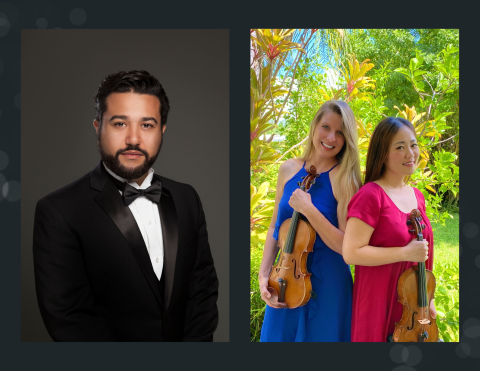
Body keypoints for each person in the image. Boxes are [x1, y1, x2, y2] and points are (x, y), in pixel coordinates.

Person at [33, 70, 218, 342]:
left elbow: (202, 290)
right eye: (120, 124)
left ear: (162, 131)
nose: (133, 139)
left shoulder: (186, 197)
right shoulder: (59, 211)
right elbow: (69, 319)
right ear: (98, 127)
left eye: (147, 125)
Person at [258, 100, 361, 342]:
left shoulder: (346, 180)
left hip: (328, 286)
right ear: (314, 127)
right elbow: (275, 226)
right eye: (326, 127)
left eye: (340, 133)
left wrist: (309, 209)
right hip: (285, 279)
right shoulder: (288, 169)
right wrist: (264, 274)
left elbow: (347, 247)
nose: (331, 137)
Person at [343, 117, 435, 342]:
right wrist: (404, 252)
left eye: (413, 145)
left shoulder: (417, 196)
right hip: (378, 301)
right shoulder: (370, 195)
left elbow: (424, 253)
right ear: (383, 154)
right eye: (399, 147)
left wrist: (428, 298)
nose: (410, 153)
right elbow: (351, 252)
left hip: (415, 305)